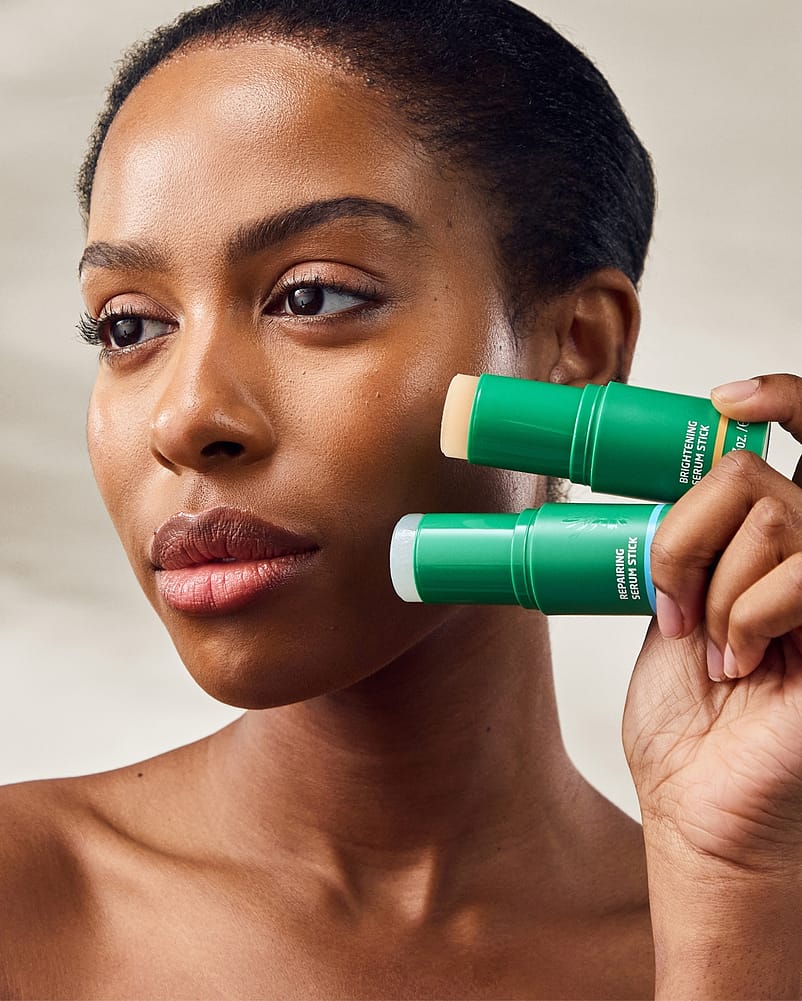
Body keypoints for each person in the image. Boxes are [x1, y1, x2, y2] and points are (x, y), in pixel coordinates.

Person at [1, 1, 800, 997]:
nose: (186, 416)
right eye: (127, 327)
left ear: (577, 352)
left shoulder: (747, 913)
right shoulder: (24, 898)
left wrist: (736, 886)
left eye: (312, 296)